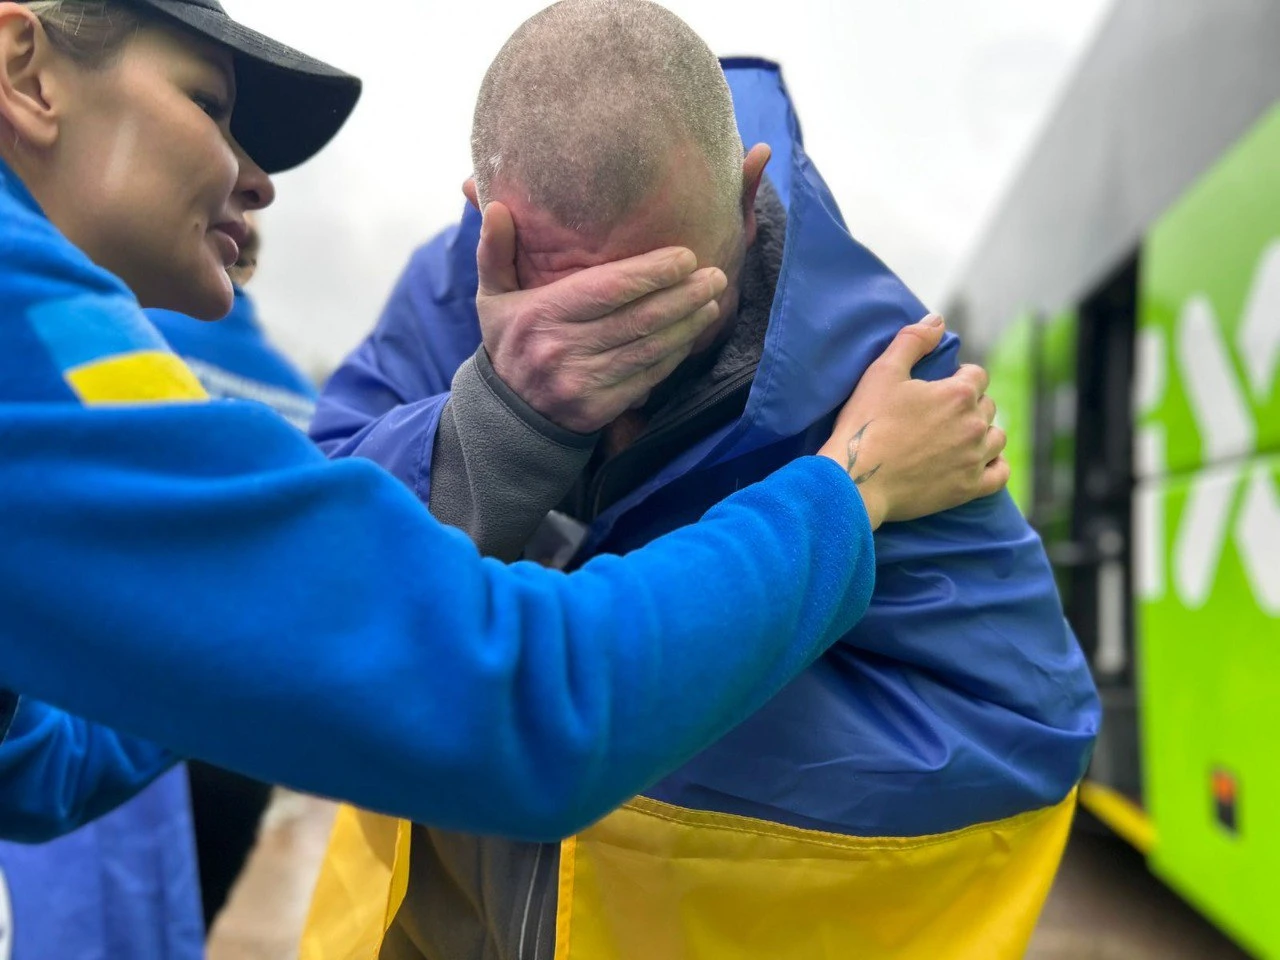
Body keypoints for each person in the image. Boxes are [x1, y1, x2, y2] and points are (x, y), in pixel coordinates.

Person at [0, 0, 1002, 895]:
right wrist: (848, 489)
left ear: (749, 206)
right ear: (24, 71)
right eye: (211, 105)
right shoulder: (34, 334)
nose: (256, 179)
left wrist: (277, 645)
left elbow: (46, 761)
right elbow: (521, 704)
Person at [306, 3, 1100, 958]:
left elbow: (1018, 719)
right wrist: (503, 416)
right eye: (572, 308)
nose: (619, 358)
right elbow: (310, 568)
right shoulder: (442, 291)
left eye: (673, 299)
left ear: (747, 192)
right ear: (486, 217)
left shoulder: (882, 373)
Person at [150, 213, 316, 929]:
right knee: (184, 927)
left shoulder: (131, 343)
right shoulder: (306, 402)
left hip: (113, 703)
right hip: (243, 730)